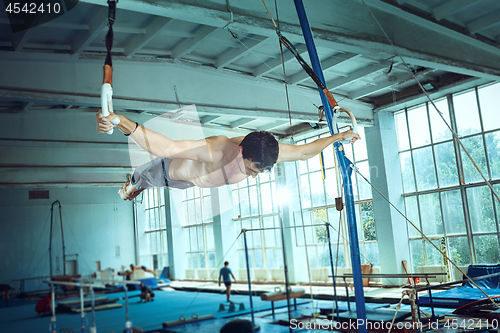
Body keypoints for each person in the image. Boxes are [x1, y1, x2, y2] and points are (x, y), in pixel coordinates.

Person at [96, 110, 360, 200]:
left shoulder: (266, 152)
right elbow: (165, 147)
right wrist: (120, 121)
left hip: (188, 183)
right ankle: (130, 184)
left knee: (149, 186)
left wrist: (338, 136)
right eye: (252, 170)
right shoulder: (217, 151)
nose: (254, 177)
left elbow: (303, 152)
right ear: (241, 151)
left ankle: (133, 186)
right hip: (164, 172)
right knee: (136, 183)